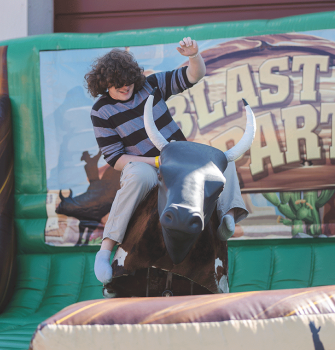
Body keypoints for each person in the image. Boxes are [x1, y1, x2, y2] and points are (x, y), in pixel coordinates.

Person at [85, 37, 248, 285]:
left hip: (180, 159)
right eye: (117, 85)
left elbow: (194, 76)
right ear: (104, 83)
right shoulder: (101, 111)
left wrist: (194, 55)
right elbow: (116, 159)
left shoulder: (151, 85)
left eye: (128, 81)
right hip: (148, 166)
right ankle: (106, 249)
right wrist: (158, 162)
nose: (125, 87)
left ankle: (228, 217)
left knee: (225, 159)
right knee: (137, 175)